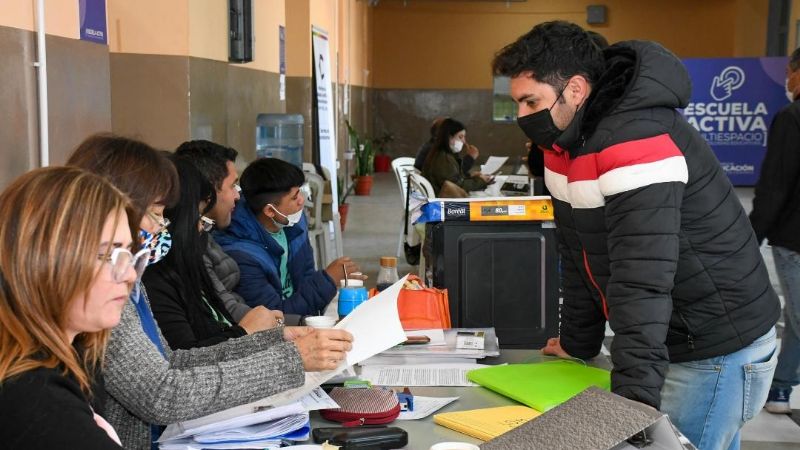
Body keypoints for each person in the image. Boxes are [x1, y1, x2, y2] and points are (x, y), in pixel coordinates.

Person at [492, 21, 779, 450]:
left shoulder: (634, 140)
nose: (522, 116)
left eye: (531, 101)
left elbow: (641, 280)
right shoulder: (564, 147)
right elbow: (578, 254)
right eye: (517, 103)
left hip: (713, 347)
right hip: (673, 337)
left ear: (574, 89)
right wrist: (577, 343)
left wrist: (631, 410)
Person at [68, 134, 354, 450]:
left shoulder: (131, 280)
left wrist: (274, 340)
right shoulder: (108, 293)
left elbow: (172, 361)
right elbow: (161, 394)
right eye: (156, 212)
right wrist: (290, 360)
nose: (164, 226)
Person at [0, 166, 137, 449]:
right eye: (107, 254)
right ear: (41, 259)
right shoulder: (34, 397)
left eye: (128, 254)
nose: (130, 274)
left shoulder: (76, 357)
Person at [143, 156, 276, 349]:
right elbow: (183, 359)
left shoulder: (189, 264)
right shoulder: (154, 279)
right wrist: (246, 332)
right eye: (197, 217)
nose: (201, 229)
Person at [215, 157, 365, 316]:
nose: (302, 200)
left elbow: (306, 277)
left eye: (300, 190)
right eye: (294, 197)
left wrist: (333, 279)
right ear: (270, 211)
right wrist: (328, 280)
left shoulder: (292, 222)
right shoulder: (241, 256)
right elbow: (277, 318)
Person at [174, 140, 285, 324]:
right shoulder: (189, 245)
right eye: (232, 185)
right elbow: (227, 310)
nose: (237, 195)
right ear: (208, 190)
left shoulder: (206, 234)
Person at [749, 46, 800, 414]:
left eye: (790, 71)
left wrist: (752, 236)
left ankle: (780, 388)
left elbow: (775, 184)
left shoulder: (791, 117)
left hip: (793, 238)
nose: (786, 79)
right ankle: (780, 388)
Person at [421, 118, 493, 195]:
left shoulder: (442, 153)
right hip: (444, 202)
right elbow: (457, 186)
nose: (464, 141)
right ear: (448, 137)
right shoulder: (444, 159)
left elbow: (453, 177)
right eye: (460, 137)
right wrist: (481, 181)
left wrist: (470, 176)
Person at [414, 117, 479, 176]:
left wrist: (470, 176)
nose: (464, 141)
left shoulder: (433, 145)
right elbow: (453, 176)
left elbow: (452, 174)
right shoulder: (437, 151)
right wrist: (470, 158)